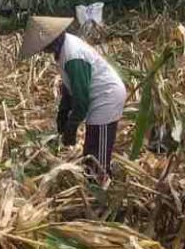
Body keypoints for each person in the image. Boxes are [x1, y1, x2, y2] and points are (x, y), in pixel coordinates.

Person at [19, 16, 126, 187]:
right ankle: (93, 185)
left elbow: (81, 100)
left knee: (98, 152)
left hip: (107, 96)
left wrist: (71, 126)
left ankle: (103, 191)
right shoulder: (64, 49)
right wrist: (63, 112)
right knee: (91, 149)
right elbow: (71, 88)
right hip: (98, 97)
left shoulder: (73, 55)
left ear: (51, 42)